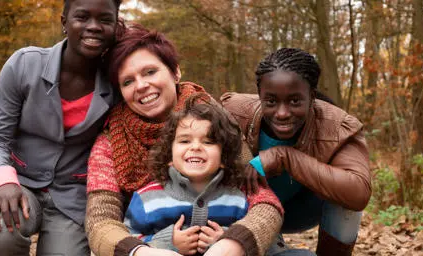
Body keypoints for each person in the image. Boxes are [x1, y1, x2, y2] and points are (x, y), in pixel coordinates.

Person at [85, 23, 284, 256]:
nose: (141, 86)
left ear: (175, 72)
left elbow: (263, 200)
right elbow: (100, 222)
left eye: (150, 72)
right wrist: (142, 251)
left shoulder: (215, 121)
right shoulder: (111, 140)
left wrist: (233, 242)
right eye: (128, 81)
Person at [0, 0, 122, 255]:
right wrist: (2, 181)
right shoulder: (24, 65)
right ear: (64, 22)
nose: (94, 27)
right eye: (82, 17)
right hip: (19, 183)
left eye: (105, 20)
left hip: (72, 197)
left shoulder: (119, 82)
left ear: (115, 26)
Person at [221, 48, 372, 256]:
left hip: (301, 210)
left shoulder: (338, 127)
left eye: (294, 101)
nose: (282, 113)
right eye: (271, 101)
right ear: (260, 96)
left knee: (345, 200)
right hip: (249, 211)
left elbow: (359, 194)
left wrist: (286, 157)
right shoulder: (232, 112)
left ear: (312, 96)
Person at [123, 95, 284, 255]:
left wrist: (226, 238)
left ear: (224, 157)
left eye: (208, 142)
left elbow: (254, 242)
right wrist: (166, 242)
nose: (196, 147)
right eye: (185, 141)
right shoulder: (147, 198)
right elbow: (130, 239)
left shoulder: (238, 198)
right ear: (169, 155)